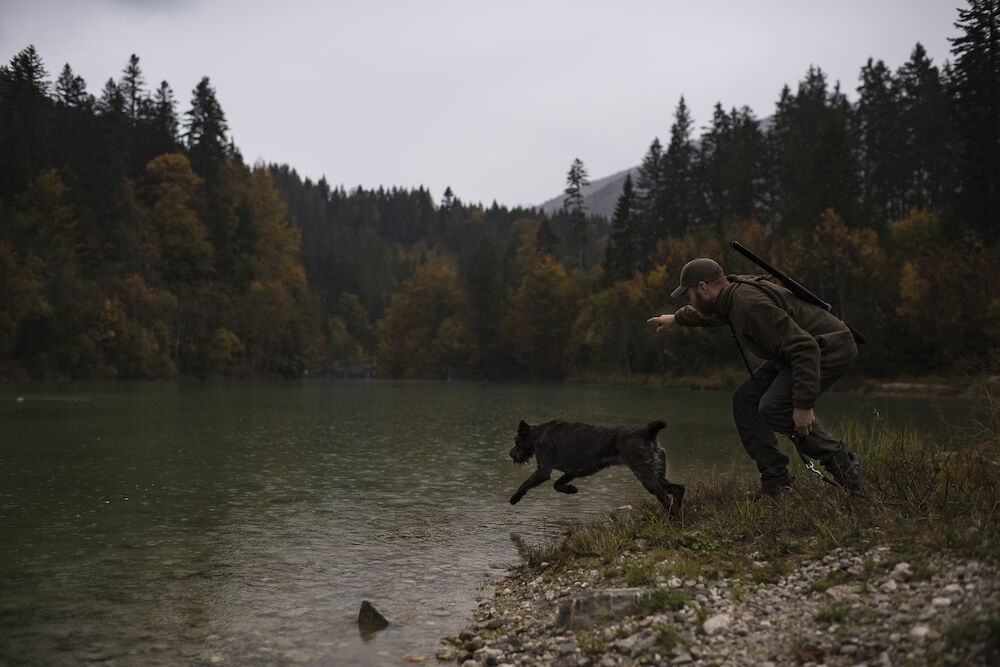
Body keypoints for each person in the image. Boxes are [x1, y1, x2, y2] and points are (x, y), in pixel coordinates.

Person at [647, 257, 864, 496]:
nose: (690, 301)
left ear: (702, 287)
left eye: (688, 295)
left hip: (828, 349)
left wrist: (803, 405)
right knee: (746, 399)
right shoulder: (729, 294)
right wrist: (676, 318)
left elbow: (805, 348)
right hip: (795, 353)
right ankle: (777, 481)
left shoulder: (749, 306)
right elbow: (711, 313)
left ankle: (844, 466)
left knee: (774, 408)